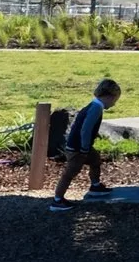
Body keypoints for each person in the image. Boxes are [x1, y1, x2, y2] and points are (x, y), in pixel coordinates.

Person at [48, 78, 120, 212]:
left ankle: (95, 185)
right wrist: (84, 148)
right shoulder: (96, 108)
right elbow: (85, 129)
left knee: (96, 160)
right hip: (78, 148)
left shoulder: (93, 105)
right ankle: (57, 200)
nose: (114, 104)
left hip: (80, 145)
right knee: (69, 173)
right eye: (114, 100)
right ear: (109, 96)